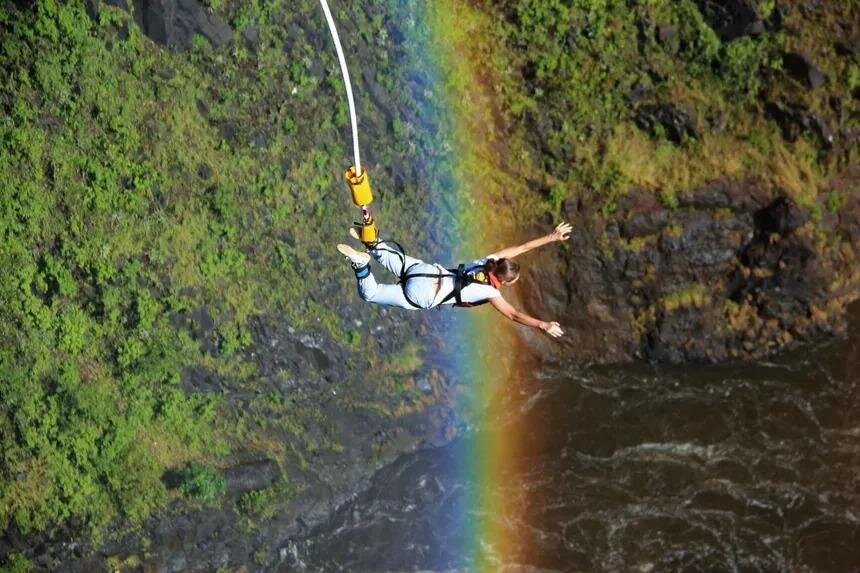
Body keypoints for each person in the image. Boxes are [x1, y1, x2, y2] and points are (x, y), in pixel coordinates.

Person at [336, 222, 572, 337]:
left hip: (427, 271)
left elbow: (521, 248)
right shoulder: (491, 292)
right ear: (505, 281)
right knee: (371, 293)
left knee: (383, 252)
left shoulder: (488, 260)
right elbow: (514, 315)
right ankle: (361, 265)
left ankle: (370, 239)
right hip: (425, 294)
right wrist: (543, 325)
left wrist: (552, 236)